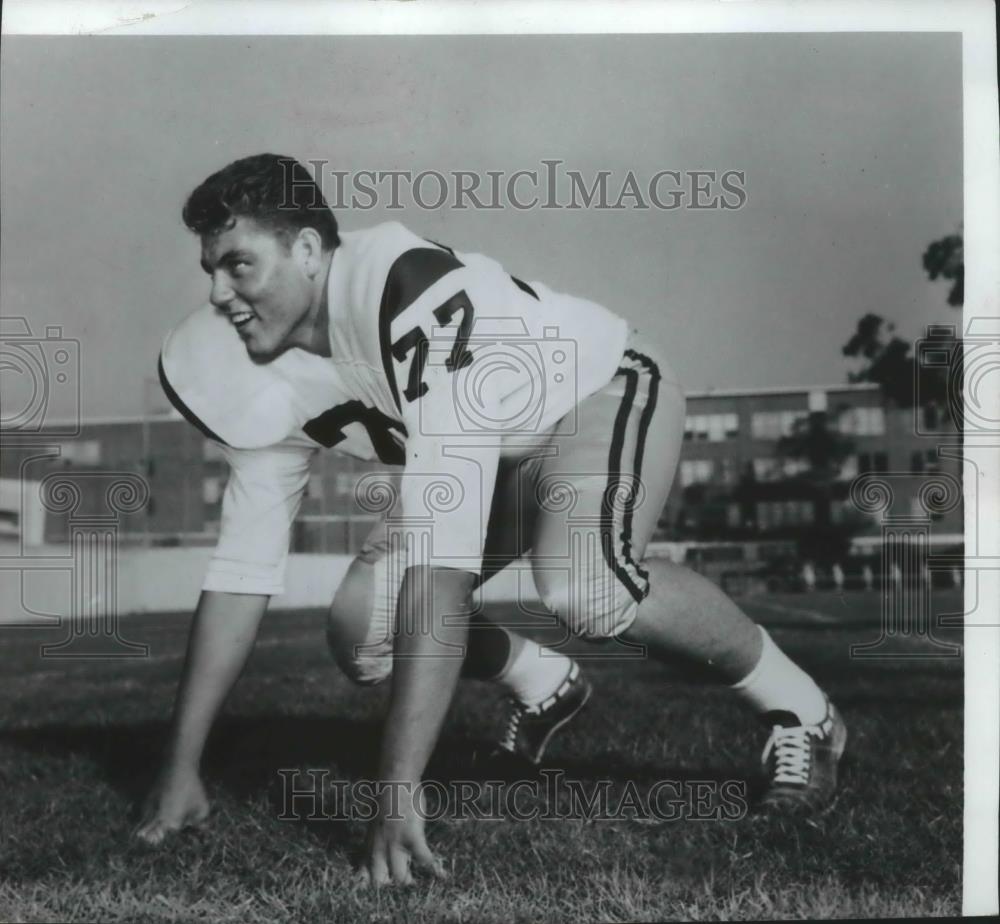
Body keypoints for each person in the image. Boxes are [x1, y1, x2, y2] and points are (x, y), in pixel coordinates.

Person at [136, 154, 847, 885]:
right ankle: (545, 684)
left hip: (594, 390)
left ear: (309, 251)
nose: (219, 293)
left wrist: (397, 794)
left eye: (238, 265)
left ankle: (804, 713)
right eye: (210, 270)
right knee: (363, 625)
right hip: (494, 447)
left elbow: (441, 578)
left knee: (586, 587)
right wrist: (180, 768)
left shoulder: (406, 293)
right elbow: (240, 575)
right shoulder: (252, 361)